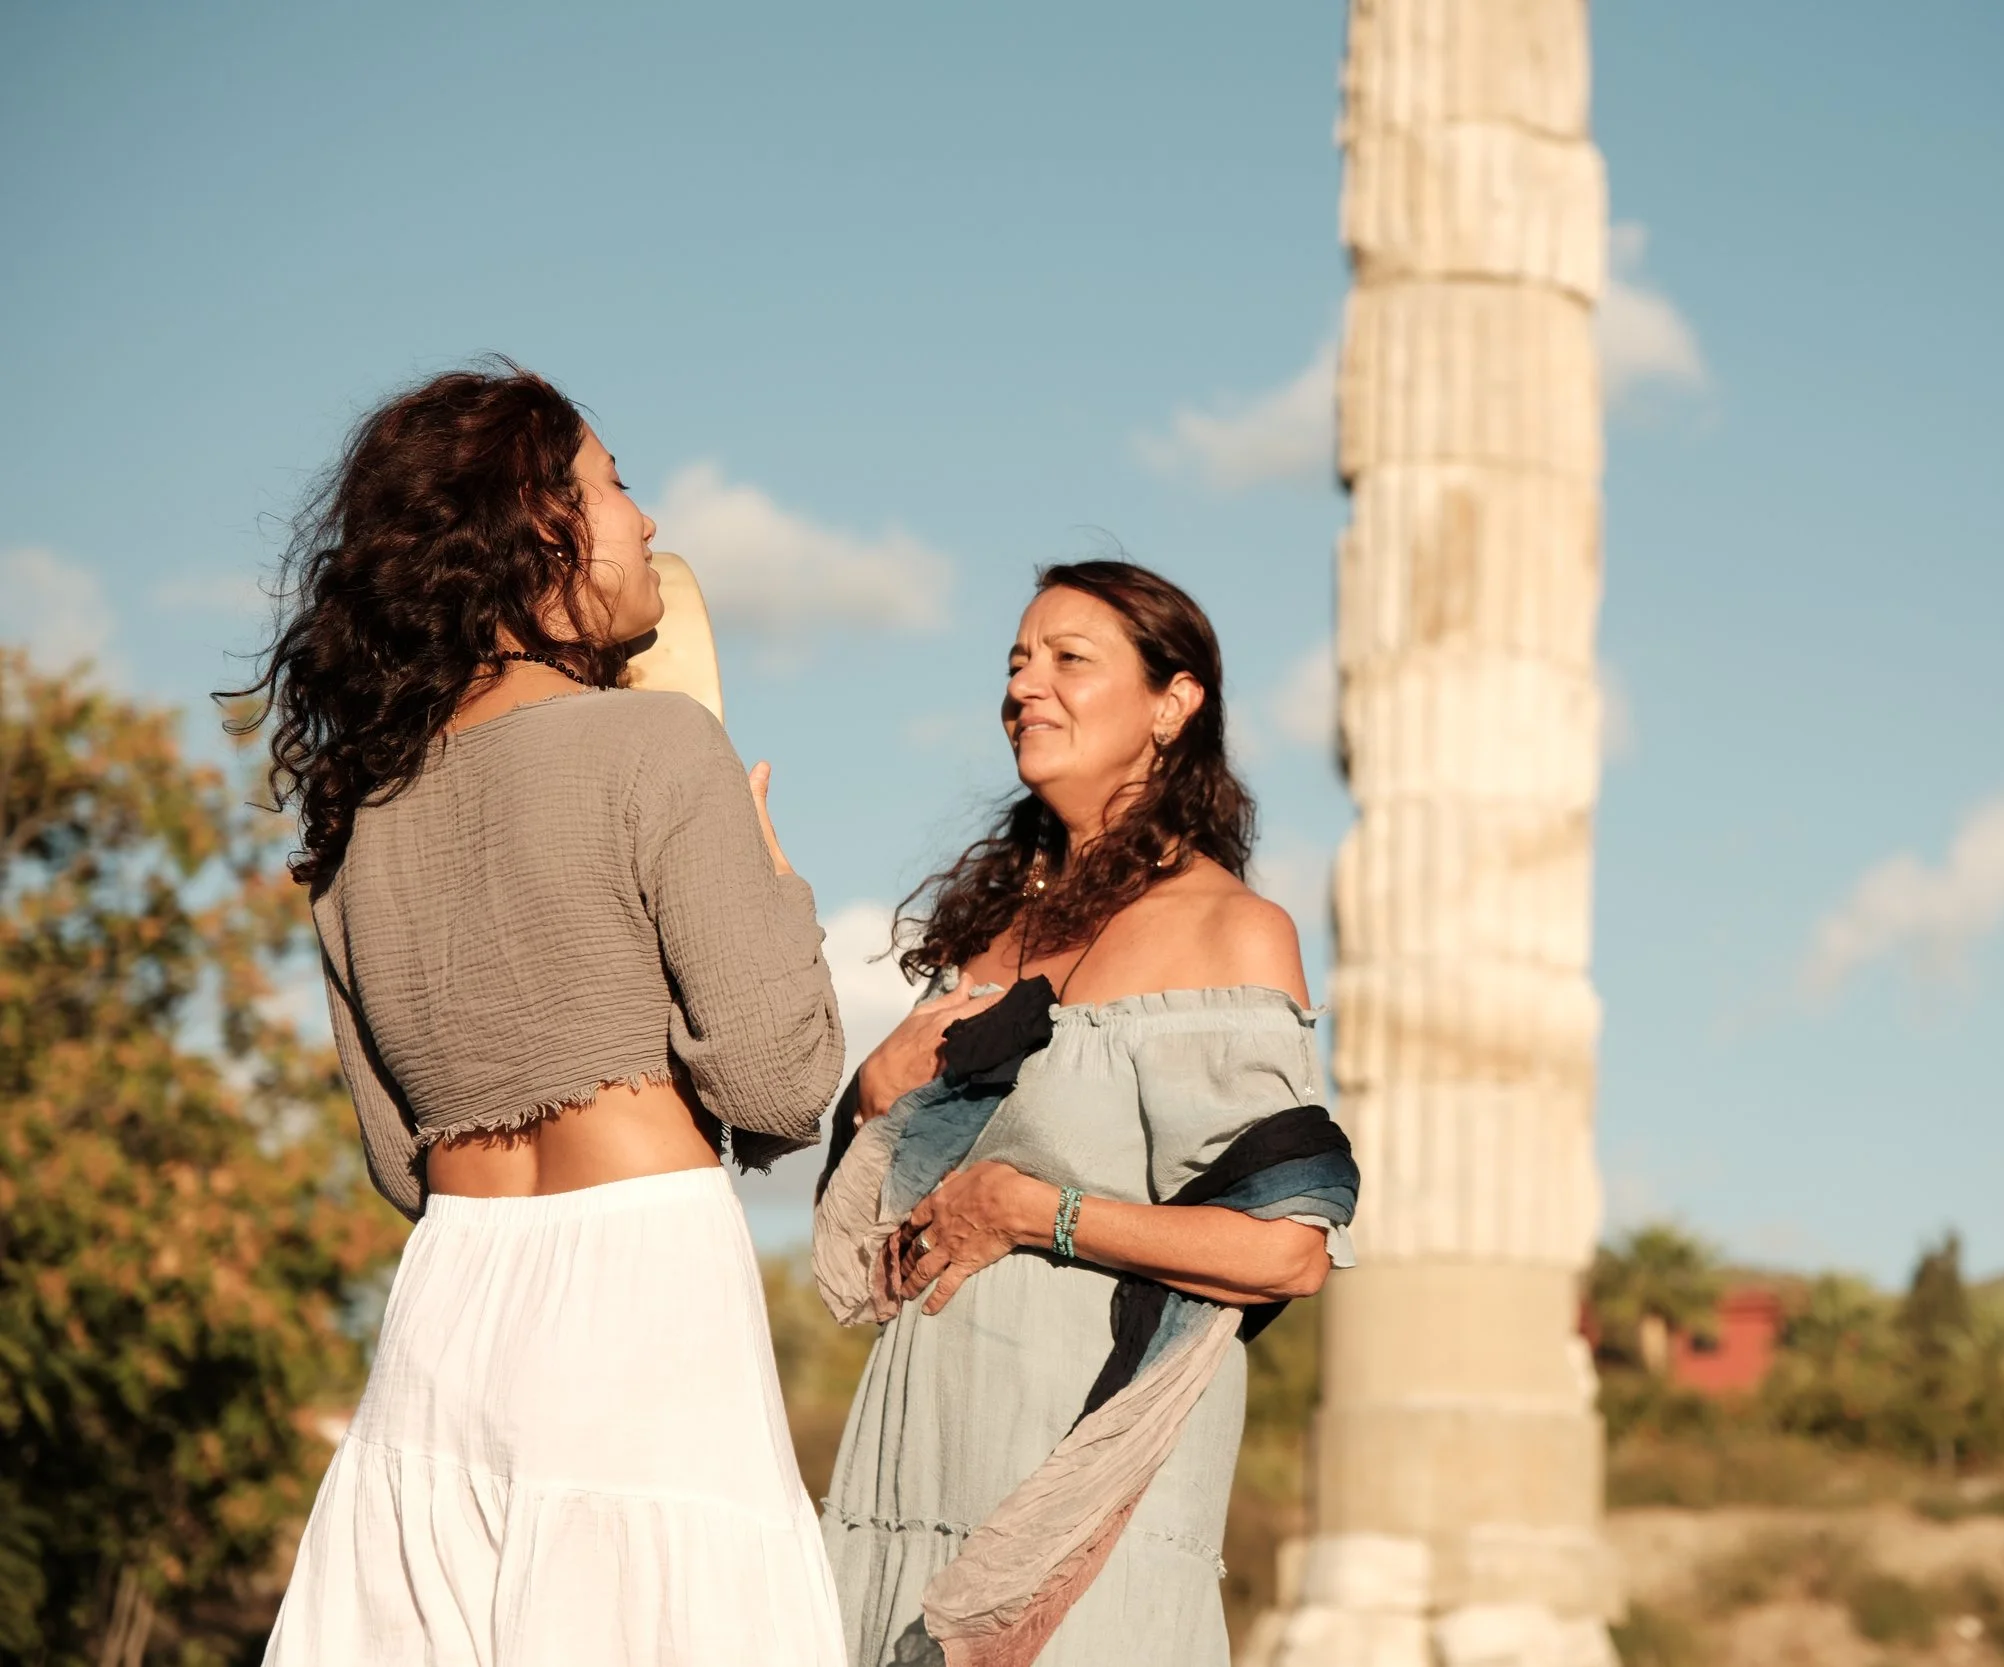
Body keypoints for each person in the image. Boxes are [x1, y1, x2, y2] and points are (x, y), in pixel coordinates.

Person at [230, 362, 851, 1665]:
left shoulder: (358, 822)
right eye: (616, 485)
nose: (648, 520)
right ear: (540, 522)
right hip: (640, 1287)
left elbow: (397, 1157)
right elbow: (779, 1081)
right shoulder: (659, 744)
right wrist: (777, 881)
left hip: (446, 1306)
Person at [812, 560, 1359, 1667]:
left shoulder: (1229, 930)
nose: (1027, 686)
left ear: (1173, 702)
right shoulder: (986, 939)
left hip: (1078, 1485)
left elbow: (1288, 1250)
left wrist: (1035, 1212)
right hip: (911, 1459)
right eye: (1018, 661)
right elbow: (874, 1248)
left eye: (1069, 659)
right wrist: (869, 1092)